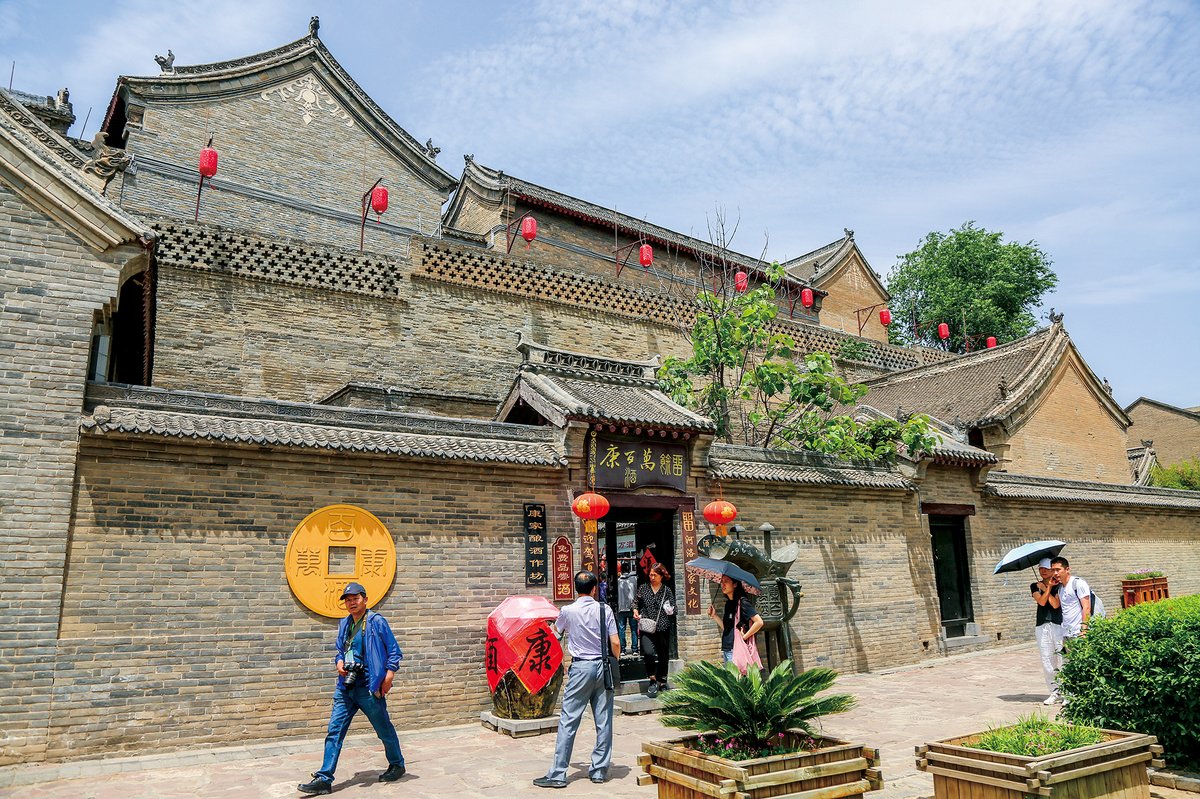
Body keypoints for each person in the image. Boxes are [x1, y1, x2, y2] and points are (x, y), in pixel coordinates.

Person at [298, 582, 405, 796]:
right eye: (348, 600)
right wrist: (339, 663)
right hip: (346, 687)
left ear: (365, 599)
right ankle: (324, 778)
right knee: (334, 731)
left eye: (355, 598)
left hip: (369, 686)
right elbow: (340, 652)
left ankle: (397, 764)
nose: (351, 603)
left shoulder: (376, 622)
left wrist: (389, 676)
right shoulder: (344, 623)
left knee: (383, 729)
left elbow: (394, 651)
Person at [534, 570, 620, 789]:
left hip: (580, 668)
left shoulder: (567, 610)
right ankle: (599, 771)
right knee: (604, 721)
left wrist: (550, 627)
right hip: (602, 667)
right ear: (593, 589)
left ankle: (558, 774)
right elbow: (616, 643)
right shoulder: (605, 609)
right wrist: (613, 662)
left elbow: (556, 633)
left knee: (569, 720)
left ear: (575, 588)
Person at [633, 563, 675, 697]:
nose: (651, 577)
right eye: (650, 574)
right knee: (648, 652)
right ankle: (652, 679)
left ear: (662, 576)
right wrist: (635, 611)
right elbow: (635, 602)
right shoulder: (643, 588)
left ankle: (662, 681)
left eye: (655, 575)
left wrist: (670, 610)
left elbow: (674, 608)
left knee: (663, 655)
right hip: (647, 627)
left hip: (662, 626)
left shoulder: (667, 590)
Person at [708, 574, 764, 666]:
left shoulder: (743, 602)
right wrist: (714, 616)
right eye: (721, 582)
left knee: (736, 679)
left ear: (735, 584)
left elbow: (759, 622)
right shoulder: (729, 604)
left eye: (726, 581)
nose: (723, 585)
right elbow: (727, 628)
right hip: (727, 648)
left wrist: (745, 636)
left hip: (737, 648)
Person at [1031, 557, 1063, 705]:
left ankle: (1068, 692)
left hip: (1057, 624)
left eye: (1046, 568)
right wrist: (1046, 588)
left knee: (1062, 658)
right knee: (1047, 659)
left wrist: (1048, 588)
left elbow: (1056, 605)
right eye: (1040, 569)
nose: (1043, 571)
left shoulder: (1061, 585)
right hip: (1042, 625)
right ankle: (1054, 692)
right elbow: (1042, 601)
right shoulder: (1034, 586)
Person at [1051, 556, 1092, 640]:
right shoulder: (1060, 588)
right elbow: (1056, 605)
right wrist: (1049, 587)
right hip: (1066, 633)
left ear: (1067, 569)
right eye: (1053, 570)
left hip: (1079, 632)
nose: (1055, 573)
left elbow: (1086, 607)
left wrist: (1084, 630)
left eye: (1058, 570)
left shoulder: (1078, 583)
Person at [617, 562, 639, 655]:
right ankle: (634, 649)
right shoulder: (634, 579)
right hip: (632, 608)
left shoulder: (618, 581)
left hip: (621, 608)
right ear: (629, 569)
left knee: (621, 629)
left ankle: (622, 649)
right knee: (634, 629)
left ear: (621, 570)